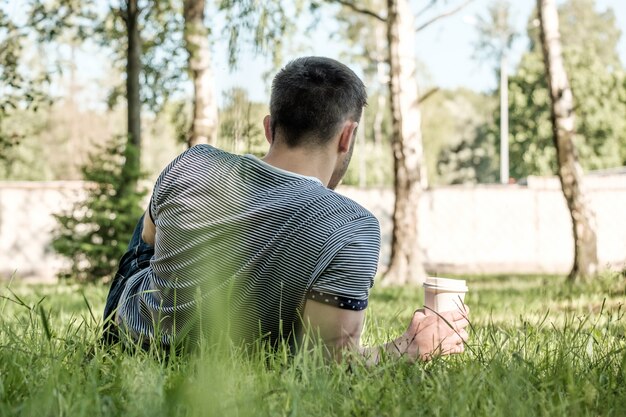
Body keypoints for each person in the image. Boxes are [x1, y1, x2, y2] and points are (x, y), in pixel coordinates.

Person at [102, 56, 469, 363]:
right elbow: (332, 363)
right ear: (347, 136)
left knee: (155, 227)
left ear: (269, 127)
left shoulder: (195, 160)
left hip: (127, 338)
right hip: (226, 359)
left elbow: (148, 243)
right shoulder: (354, 226)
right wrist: (410, 348)